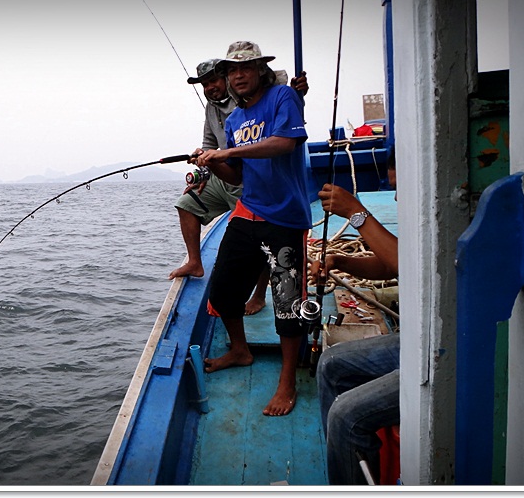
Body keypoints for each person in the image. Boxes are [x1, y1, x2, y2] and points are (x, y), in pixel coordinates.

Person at [193, 41, 311, 417]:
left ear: (261, 70)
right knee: (223, 291)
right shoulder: (233, 120)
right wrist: (211, 163)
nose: (238, 76)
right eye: (231, 71)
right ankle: (240, 350)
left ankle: (287, 382)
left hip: (285, 217)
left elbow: (283, 143)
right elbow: (237, 174)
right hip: (248, 211)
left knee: (288, 304)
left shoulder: (283, 98)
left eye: (245, 68)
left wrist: (227, 152)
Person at [171, 58, 308, 317]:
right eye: (204, 84)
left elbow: (284, 109)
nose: (210, 87)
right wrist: (202, 171)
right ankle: (194, 263)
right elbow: (209, 145)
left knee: (263, 242)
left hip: (253, 184)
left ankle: (258, 296)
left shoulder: (253, 97)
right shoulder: (212, 110)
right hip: (226, 174)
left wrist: (300, 91)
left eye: (213, 80)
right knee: (186, 204)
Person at [311, 151, 399, 485]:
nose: (396, 196)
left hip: (444, 353)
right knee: (331, 364)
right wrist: (340, 261)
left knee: (347, 415)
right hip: (418, 339)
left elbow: (401, 264)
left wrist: (356, 214)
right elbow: (391, 263)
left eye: (400, 187)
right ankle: (343, 467)